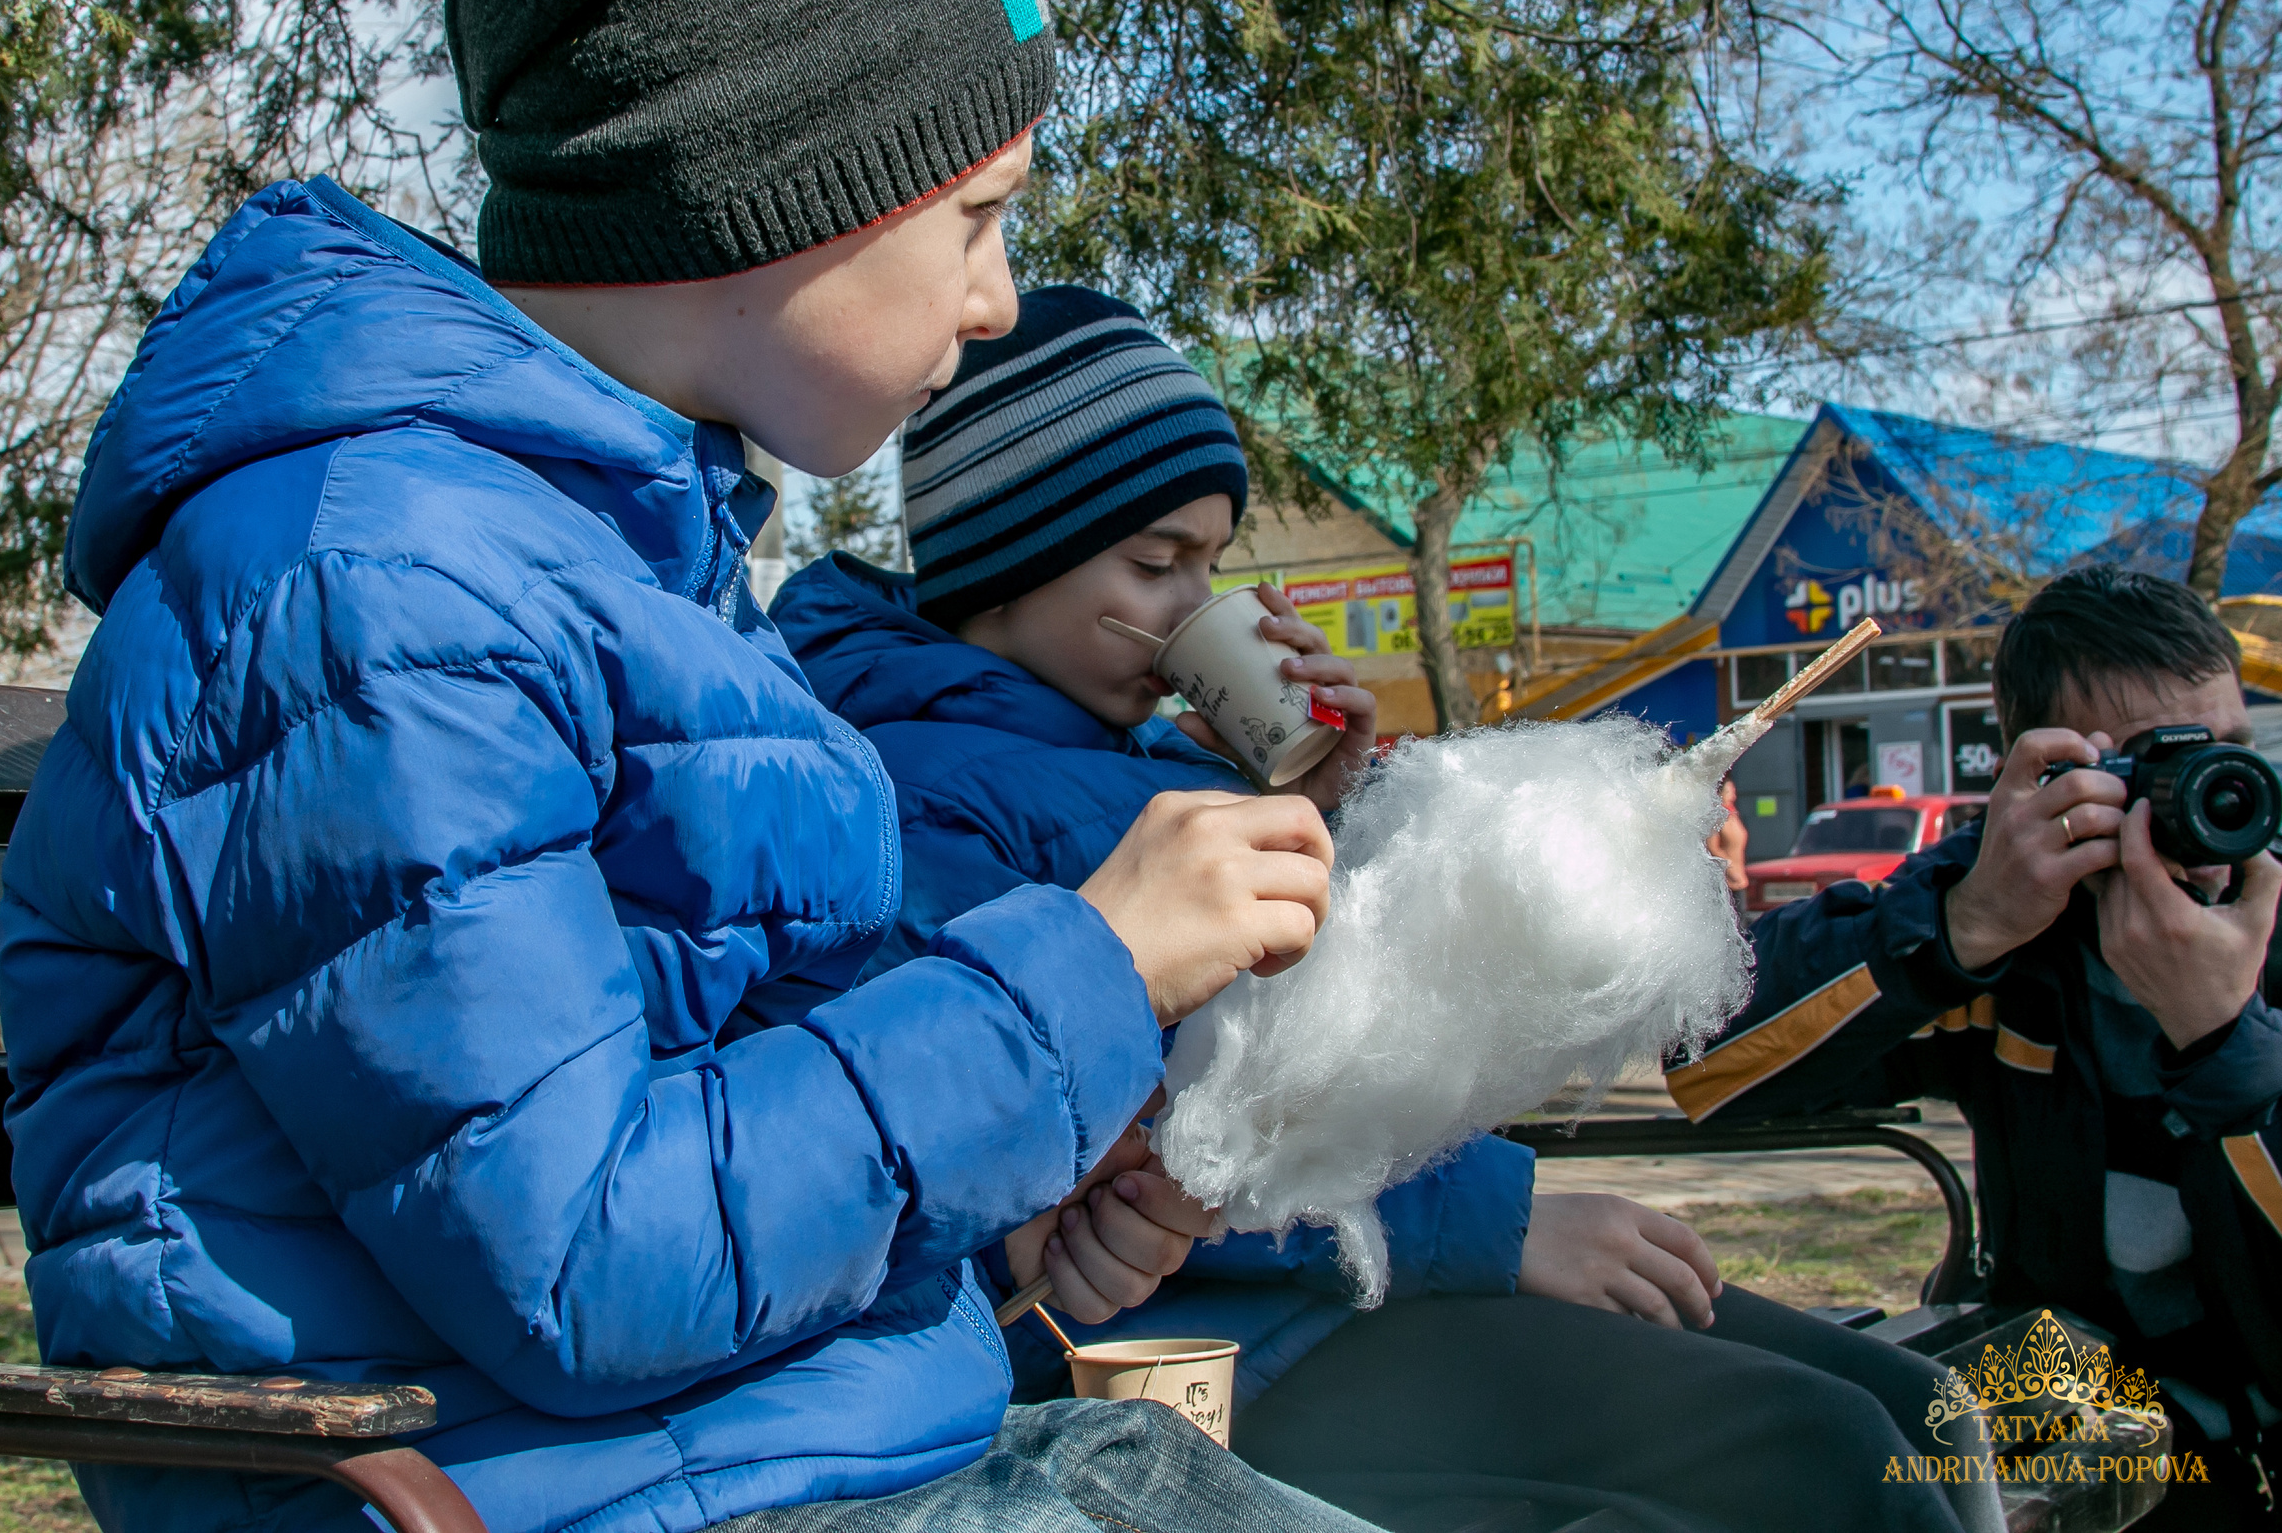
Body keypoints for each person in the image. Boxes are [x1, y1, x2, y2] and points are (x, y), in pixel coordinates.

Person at [0, 0, 1368, 1533]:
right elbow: (582, 1261)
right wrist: (1081, 969)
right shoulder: (376, 592)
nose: (997, 296)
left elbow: (699, 1138)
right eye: (978, 216)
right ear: (772, 193)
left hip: (772, 1462)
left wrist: (1016, 1210)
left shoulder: (639, 574)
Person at [770, 286, 2006, 1533]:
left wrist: (1342, 807)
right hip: (1204, 1352)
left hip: (1332, 1289)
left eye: (1212, 560)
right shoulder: (916, 800)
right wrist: (1494, 1222)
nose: (1199, 604)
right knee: (1818, 1455)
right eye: (1155, 566)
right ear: (1005, 559)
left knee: (1908, 1406)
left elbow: (1345, 1042)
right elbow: (1147, 1148)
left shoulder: (1150, 756)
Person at [1671, 565, 2282, 1528]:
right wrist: (1958, 933)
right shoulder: (2007, 907)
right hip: (2074, 1372)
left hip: (2266, 1423)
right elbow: (1707, 1055)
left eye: (2233, 753)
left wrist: (2225, 1041)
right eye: (2156, 762)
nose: (2210, 797)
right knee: (1804, 1453)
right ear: (2049, 774)